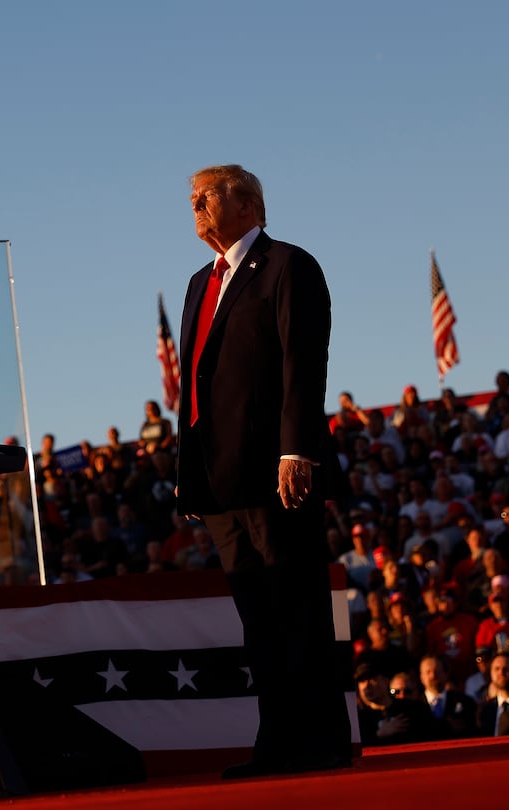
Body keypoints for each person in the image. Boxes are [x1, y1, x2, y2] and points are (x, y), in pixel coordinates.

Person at [174, 164, 348, 777]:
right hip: (219, 482)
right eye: (190, 198)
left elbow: (303, 362)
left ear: (246, 204)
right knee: (259, 621)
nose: (193, 205)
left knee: (297, 609)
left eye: (205, 196)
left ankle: (323, 742)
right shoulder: (201, 282)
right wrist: (187, 470)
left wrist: (297, 449)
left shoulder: (287, 265)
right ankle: (278, 745)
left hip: (277, 474)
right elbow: (194, 382)